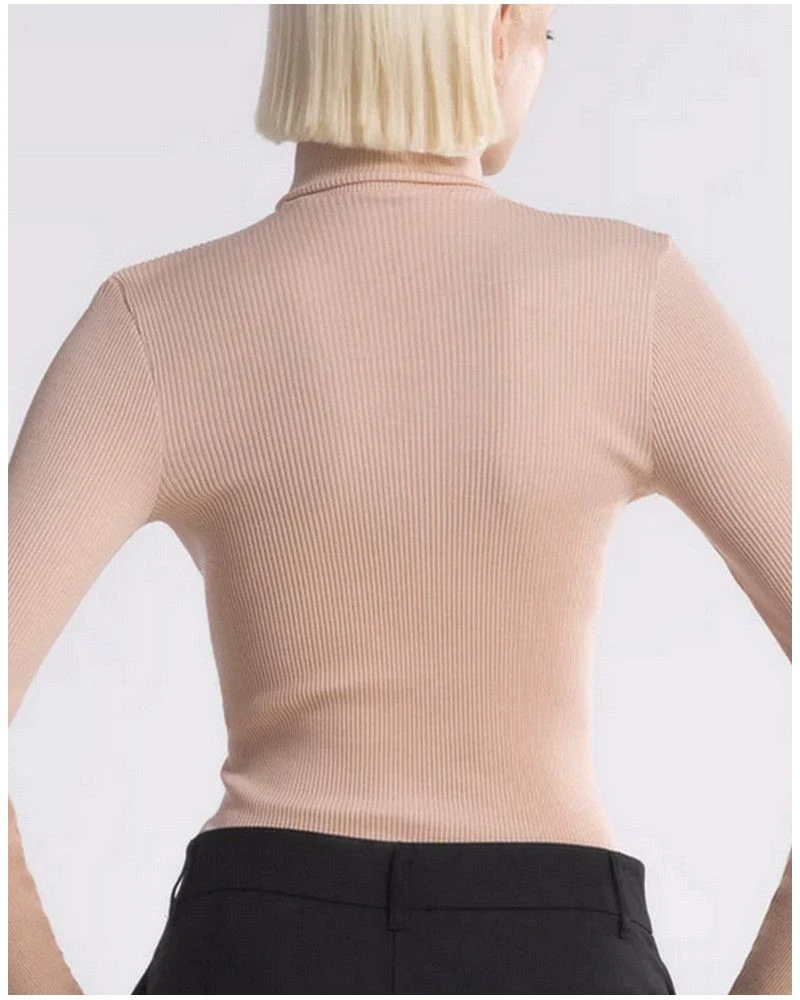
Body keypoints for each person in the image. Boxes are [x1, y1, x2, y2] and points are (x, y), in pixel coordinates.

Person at [8, 4, 790, 994]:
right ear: (498, 31)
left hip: (258, 944)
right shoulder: (634, 296)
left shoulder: (151, 320)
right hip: (551, 946)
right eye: (546, 34)